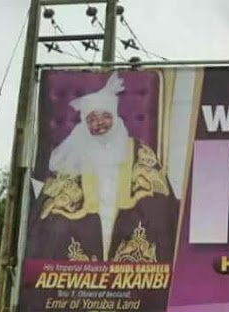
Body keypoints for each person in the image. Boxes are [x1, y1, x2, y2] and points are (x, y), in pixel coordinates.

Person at [26, 72, 178, 263]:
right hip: (87, 226)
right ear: (85, 124)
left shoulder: (137, 148)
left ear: (115, 118)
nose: (100, 123)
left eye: (106, 116)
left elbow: (159, 194)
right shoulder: (75, 153)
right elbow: (55, 199)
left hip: (128, 222)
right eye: (92, 119)